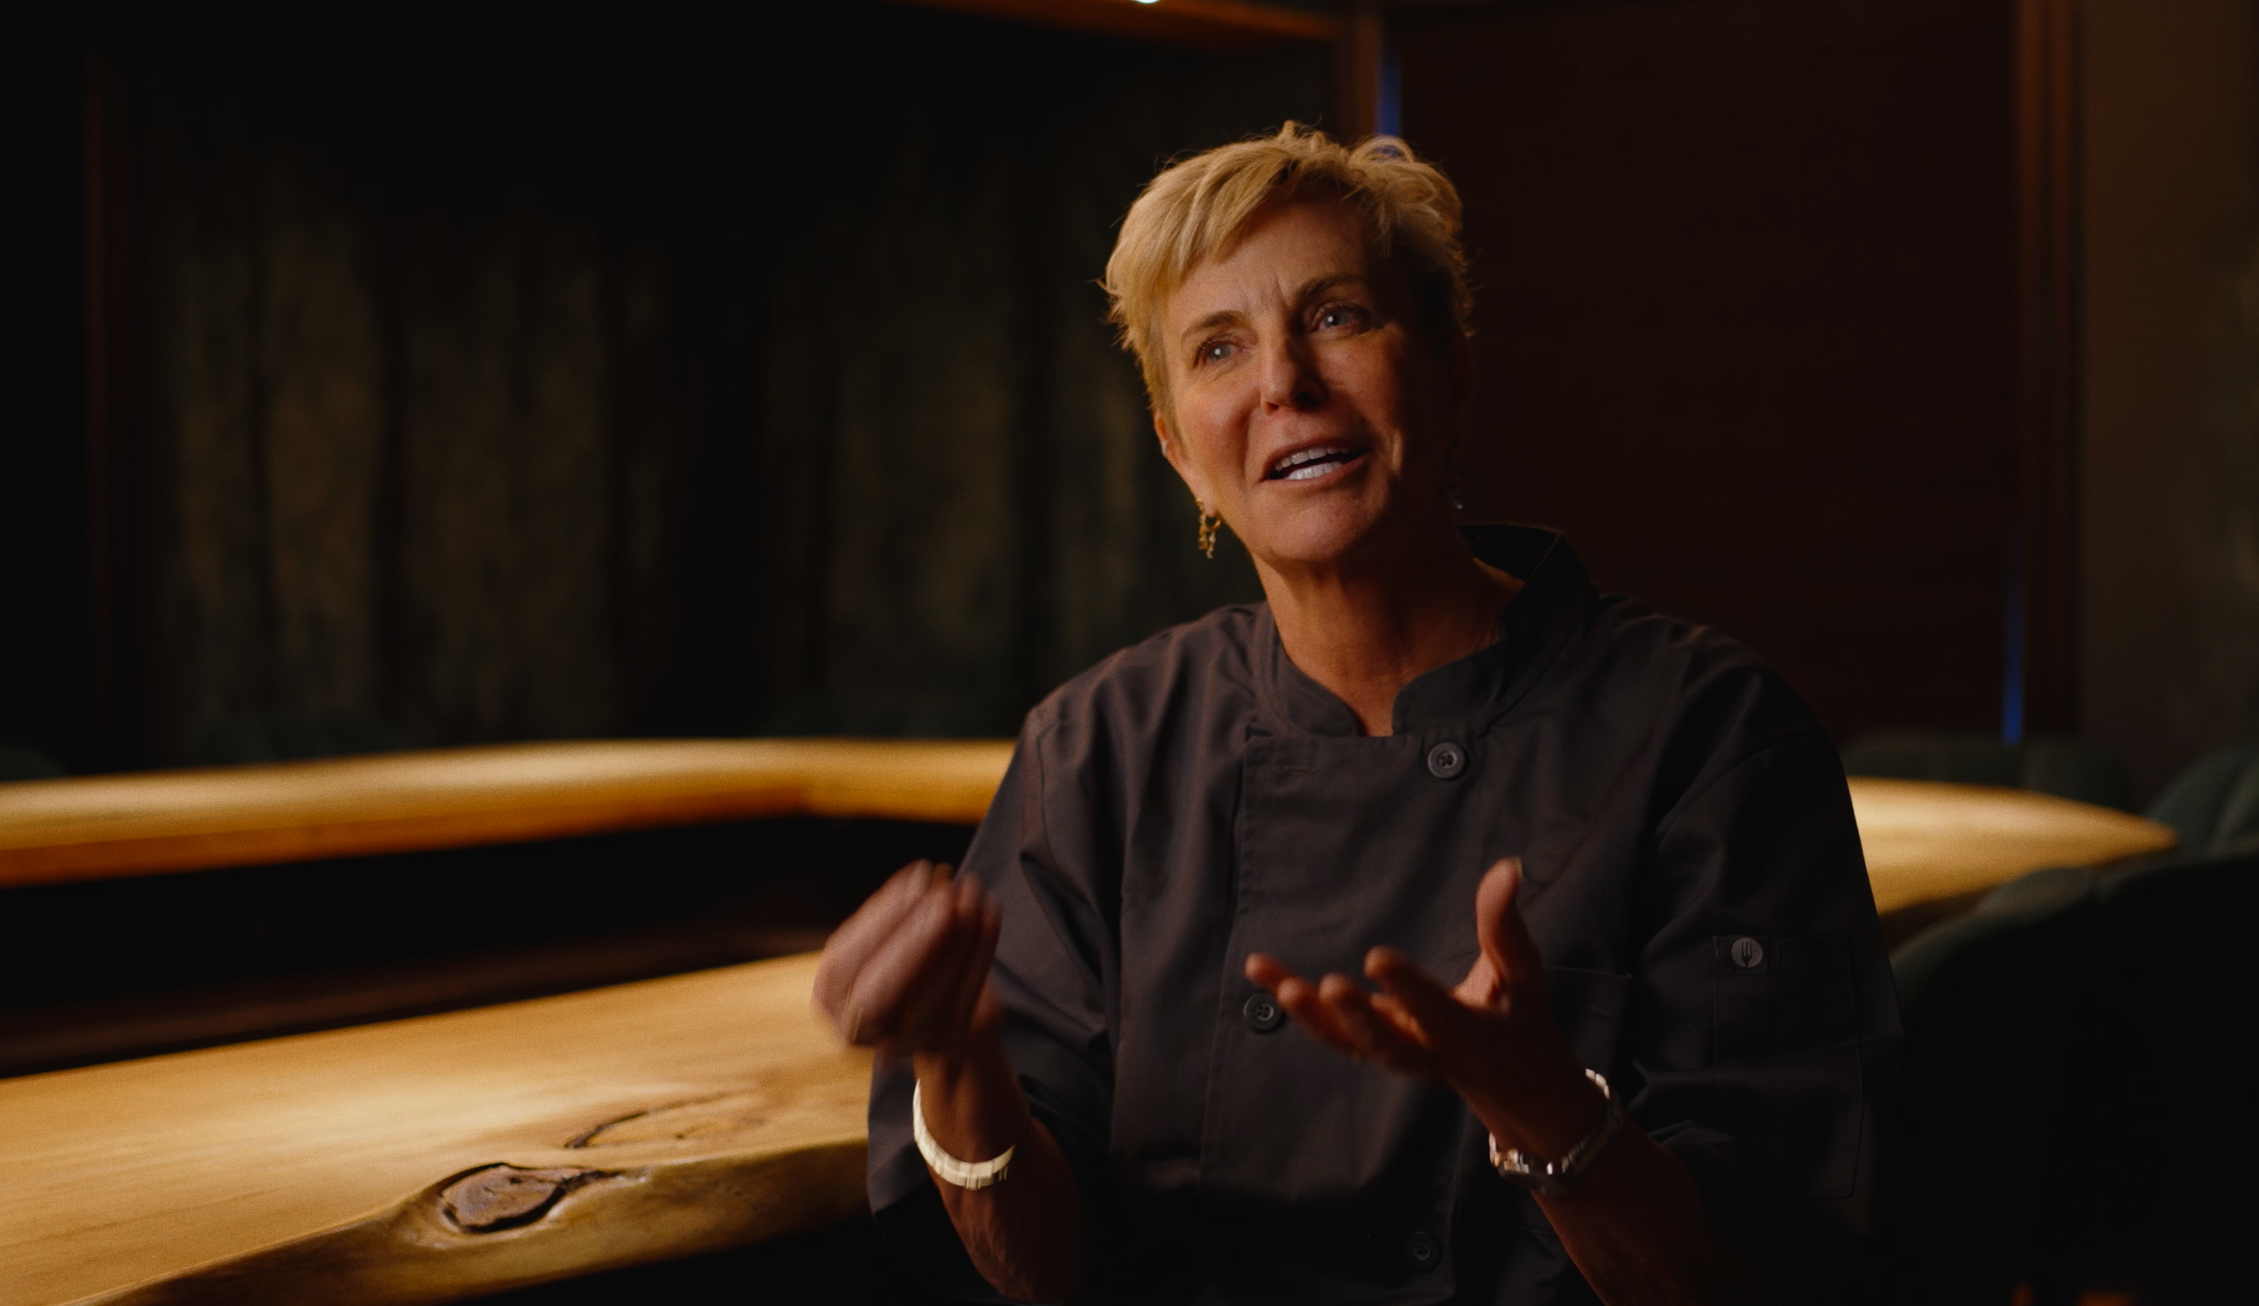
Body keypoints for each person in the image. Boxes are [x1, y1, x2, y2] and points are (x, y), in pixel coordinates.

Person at [813, 123, 1898, 1305]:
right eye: (1218, 348)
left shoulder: (1708, 737)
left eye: (1335, 316)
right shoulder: (1098, 748)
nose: (1283, 382)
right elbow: (1043, 1276)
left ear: (1451, 369)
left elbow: (1766, 1272)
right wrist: (961, 1058)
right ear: (1180, 450)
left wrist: (1538, 1100)